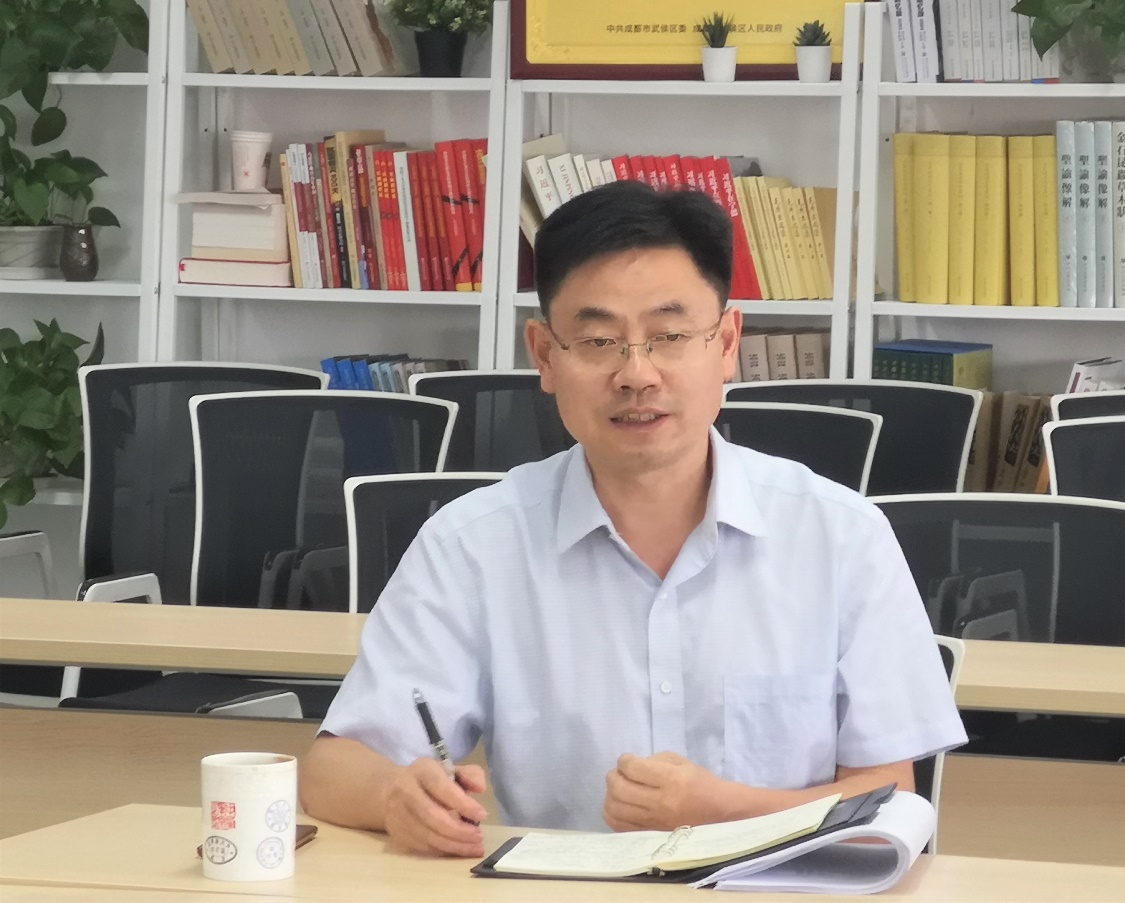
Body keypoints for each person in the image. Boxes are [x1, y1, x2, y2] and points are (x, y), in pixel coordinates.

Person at [299, 180, 965, 858]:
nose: (636, 374)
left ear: (727, 343)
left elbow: (888, 799)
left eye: (669, 335)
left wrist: (720, 810)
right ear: (544, 355)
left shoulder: (840, 535)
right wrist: (398, 795)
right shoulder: (473, 544)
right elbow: (332, 769)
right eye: (598, 340)